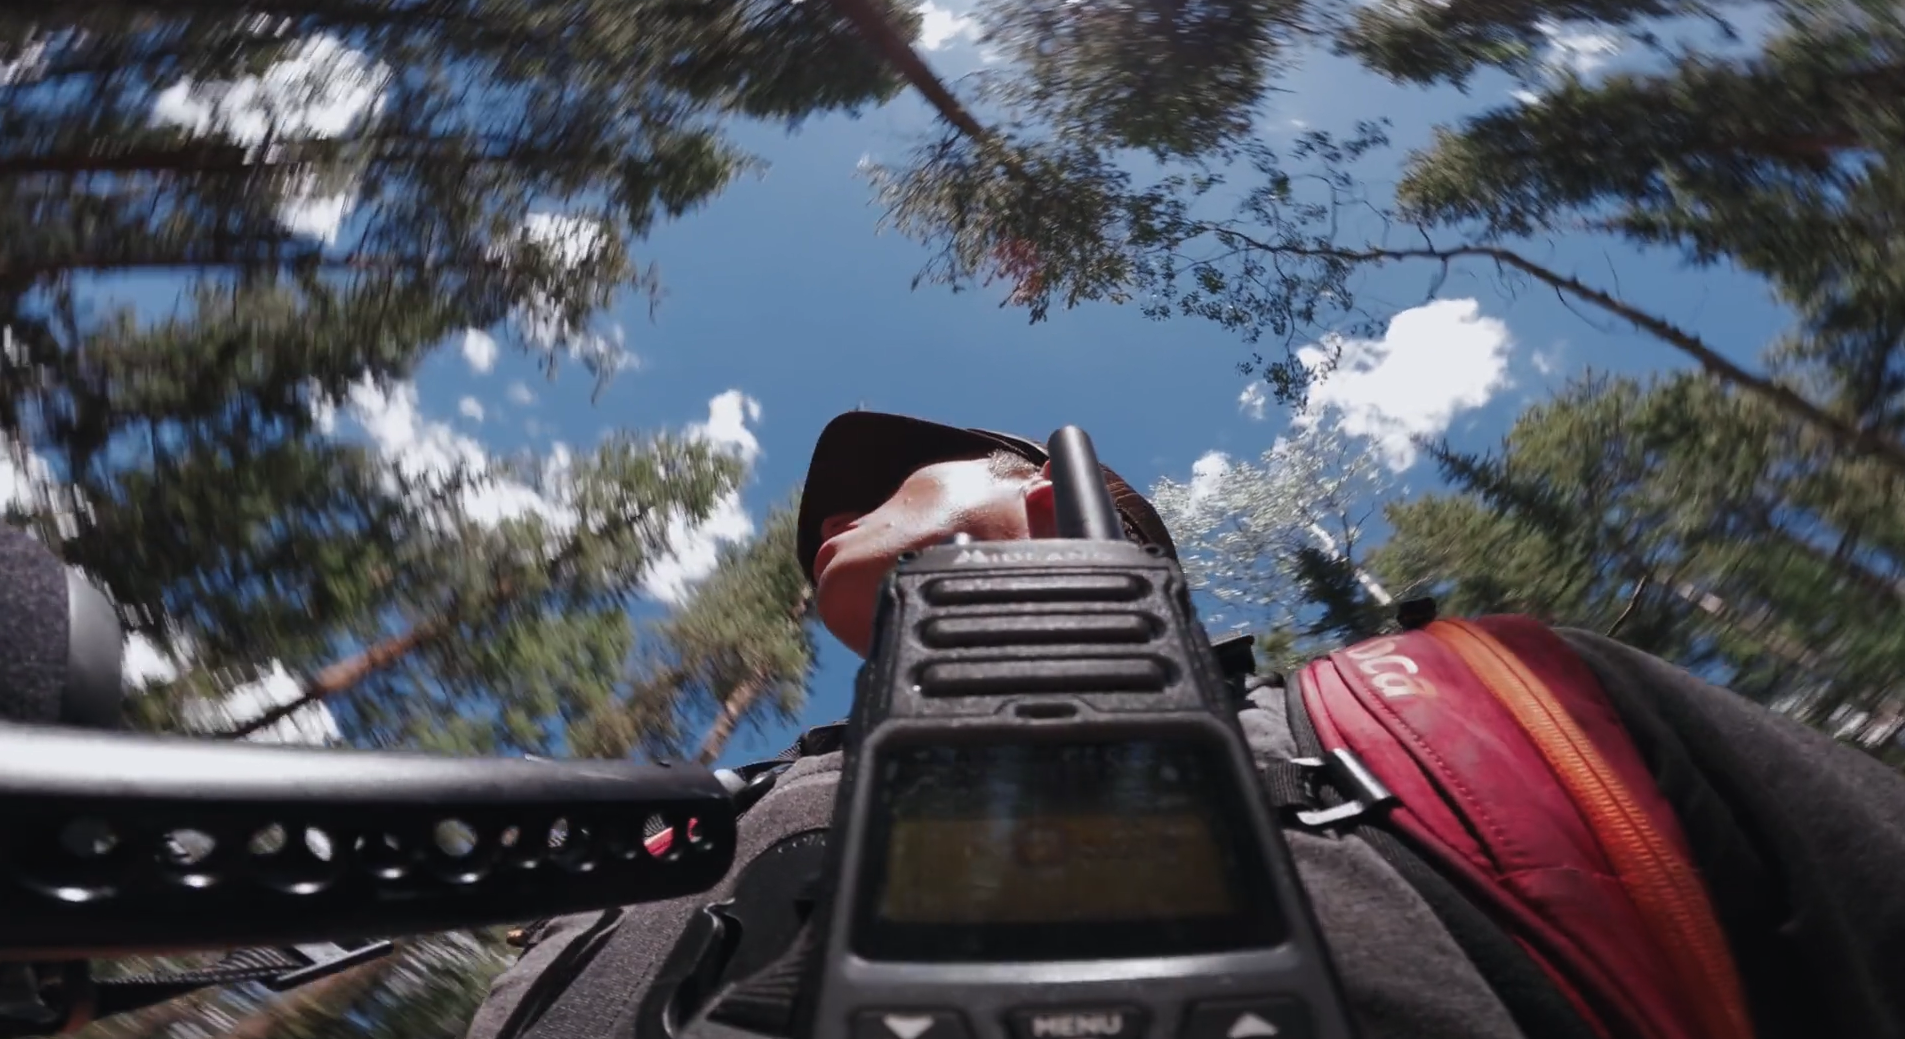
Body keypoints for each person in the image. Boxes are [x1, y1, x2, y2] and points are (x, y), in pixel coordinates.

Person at [465, 411, 1905, 1039]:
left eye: (915, 476)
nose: (843, 518)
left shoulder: (1477, 713)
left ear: (1055, 483)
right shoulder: (637, 866)